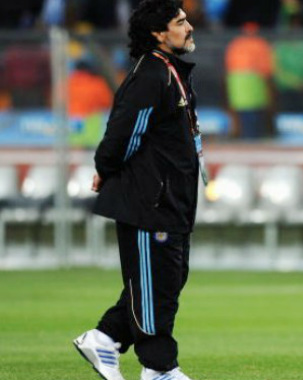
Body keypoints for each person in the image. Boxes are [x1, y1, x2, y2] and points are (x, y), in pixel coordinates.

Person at [73, 1, 204, 380]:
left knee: (166, 281)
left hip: (172, 200)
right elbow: (123, 133)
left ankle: (105, 337)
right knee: (154, 287)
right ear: (158, 34)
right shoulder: (151, 75)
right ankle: (159, 368)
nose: (189, 26)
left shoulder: (169, 72)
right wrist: (105, 169)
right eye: (180, 22)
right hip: (150, 200)